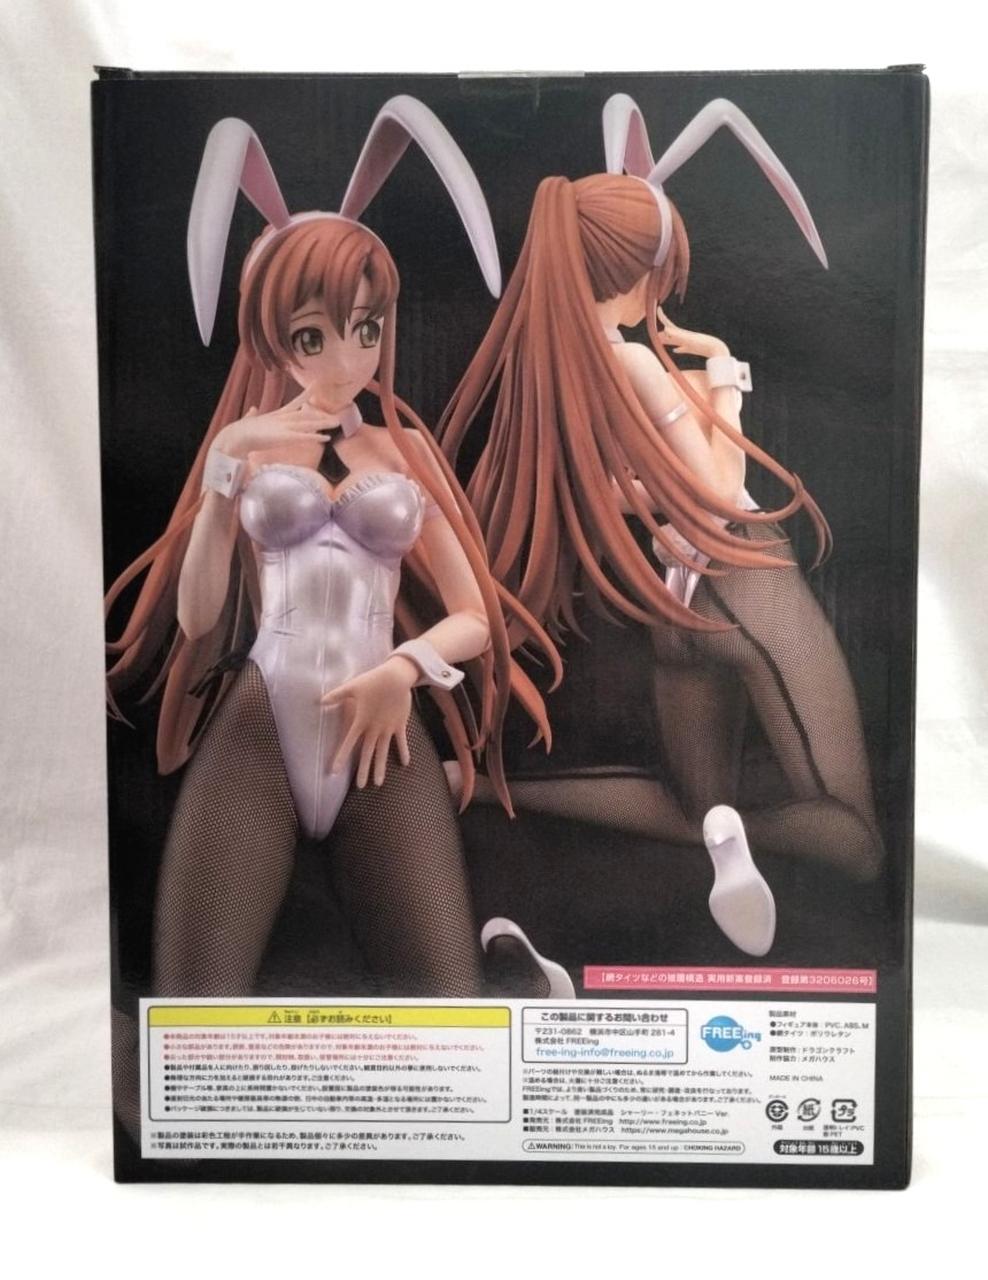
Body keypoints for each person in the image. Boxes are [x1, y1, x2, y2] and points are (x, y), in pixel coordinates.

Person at [104, 99, 572, 1139]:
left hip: (379, 735)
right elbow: (198, 616)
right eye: (314, 336)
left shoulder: (400, 453)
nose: (346, 358)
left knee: (451, 1038)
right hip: (259, 726)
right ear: (275, 337)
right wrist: (220, 492)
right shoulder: (244, 442)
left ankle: (512, 978)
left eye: (367, 329)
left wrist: (404, 670)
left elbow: (472, 616)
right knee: (187, 1035)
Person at [438, 97, 884, 954]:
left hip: (672, 603)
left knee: (690, 805)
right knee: (858, 841)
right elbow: (720, 491)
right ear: (643, 266)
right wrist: (723, 375)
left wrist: (649, 486)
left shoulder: (555, 366)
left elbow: (611, 492)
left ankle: (488, 785)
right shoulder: (635, 359)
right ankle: (734, 834)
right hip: (742, 575)